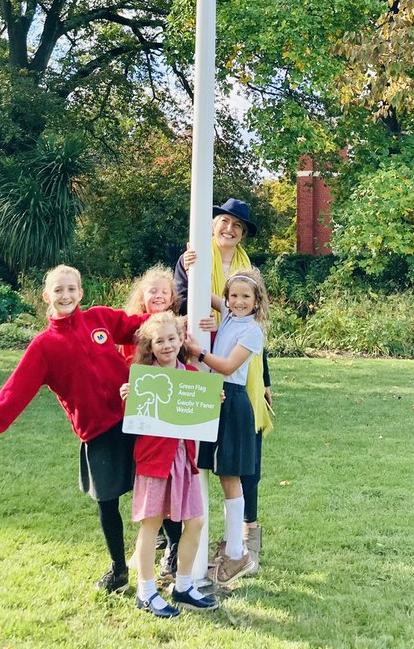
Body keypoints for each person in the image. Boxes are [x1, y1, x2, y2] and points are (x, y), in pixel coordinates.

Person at [0, 264, 148, 593]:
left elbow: (143, 326)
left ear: (81, 292)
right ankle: (119, 569)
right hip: (97, 433)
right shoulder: (44, 347)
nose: (65, 295)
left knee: (158, 490)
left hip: (135, 418)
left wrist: (183, 320)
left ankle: (172, 558)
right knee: (107, 503)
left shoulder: (100, 319)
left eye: (71, 289)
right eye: (58, 290)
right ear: (47, 296)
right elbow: (15, 391)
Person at [175, 198, 272, 571]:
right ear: (213, 224)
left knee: (239, 465)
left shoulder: (248, 287)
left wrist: (263, 380)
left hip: (233, 382)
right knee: (204, 461)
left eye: (237, 225)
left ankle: (243, 544)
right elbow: (191, 298)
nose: (229, 229)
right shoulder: (195, 260)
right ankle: (189, 546)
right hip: (203, 373)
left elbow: (245, 330)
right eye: (223, 221)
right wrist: (194, 271)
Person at [120, 312, 217, 617]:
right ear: (150, 344)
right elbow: (136, 419)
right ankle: (146, 592)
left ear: (180, 340)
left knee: (196, 521)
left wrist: (214, 400)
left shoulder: (190, 375)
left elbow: (198, 413)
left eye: (171, 339)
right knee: (151, 523)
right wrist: (127, 397)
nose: (166, 345)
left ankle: (184, 586)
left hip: (183, 458)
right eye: (159, 341)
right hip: (153, 459)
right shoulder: (142, 376)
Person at [186, 267, 269, 585]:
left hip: (232, 402)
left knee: (230, 476)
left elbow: (229, 365)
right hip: (214, 399)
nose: (238, 301)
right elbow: (203, 292)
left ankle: (238, 553)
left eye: (245, 297)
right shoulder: (229, 314)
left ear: (256, 300)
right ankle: (230, 547)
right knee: (219, 474)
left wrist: (200, 353)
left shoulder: (251, 331)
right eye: (233, 296)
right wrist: (191, 262)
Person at [119, 264, 182, 577]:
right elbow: (120, 365)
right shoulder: (130, 331)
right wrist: (126, 388)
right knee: (144, 484)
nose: (157, 295)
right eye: (151, 290)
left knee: (169, 484)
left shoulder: (175, 329)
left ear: (172, 297)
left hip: (169, 424)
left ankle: (173, 547)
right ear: (141, 296)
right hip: (138, 418)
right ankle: (151, 539)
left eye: (163, 291)